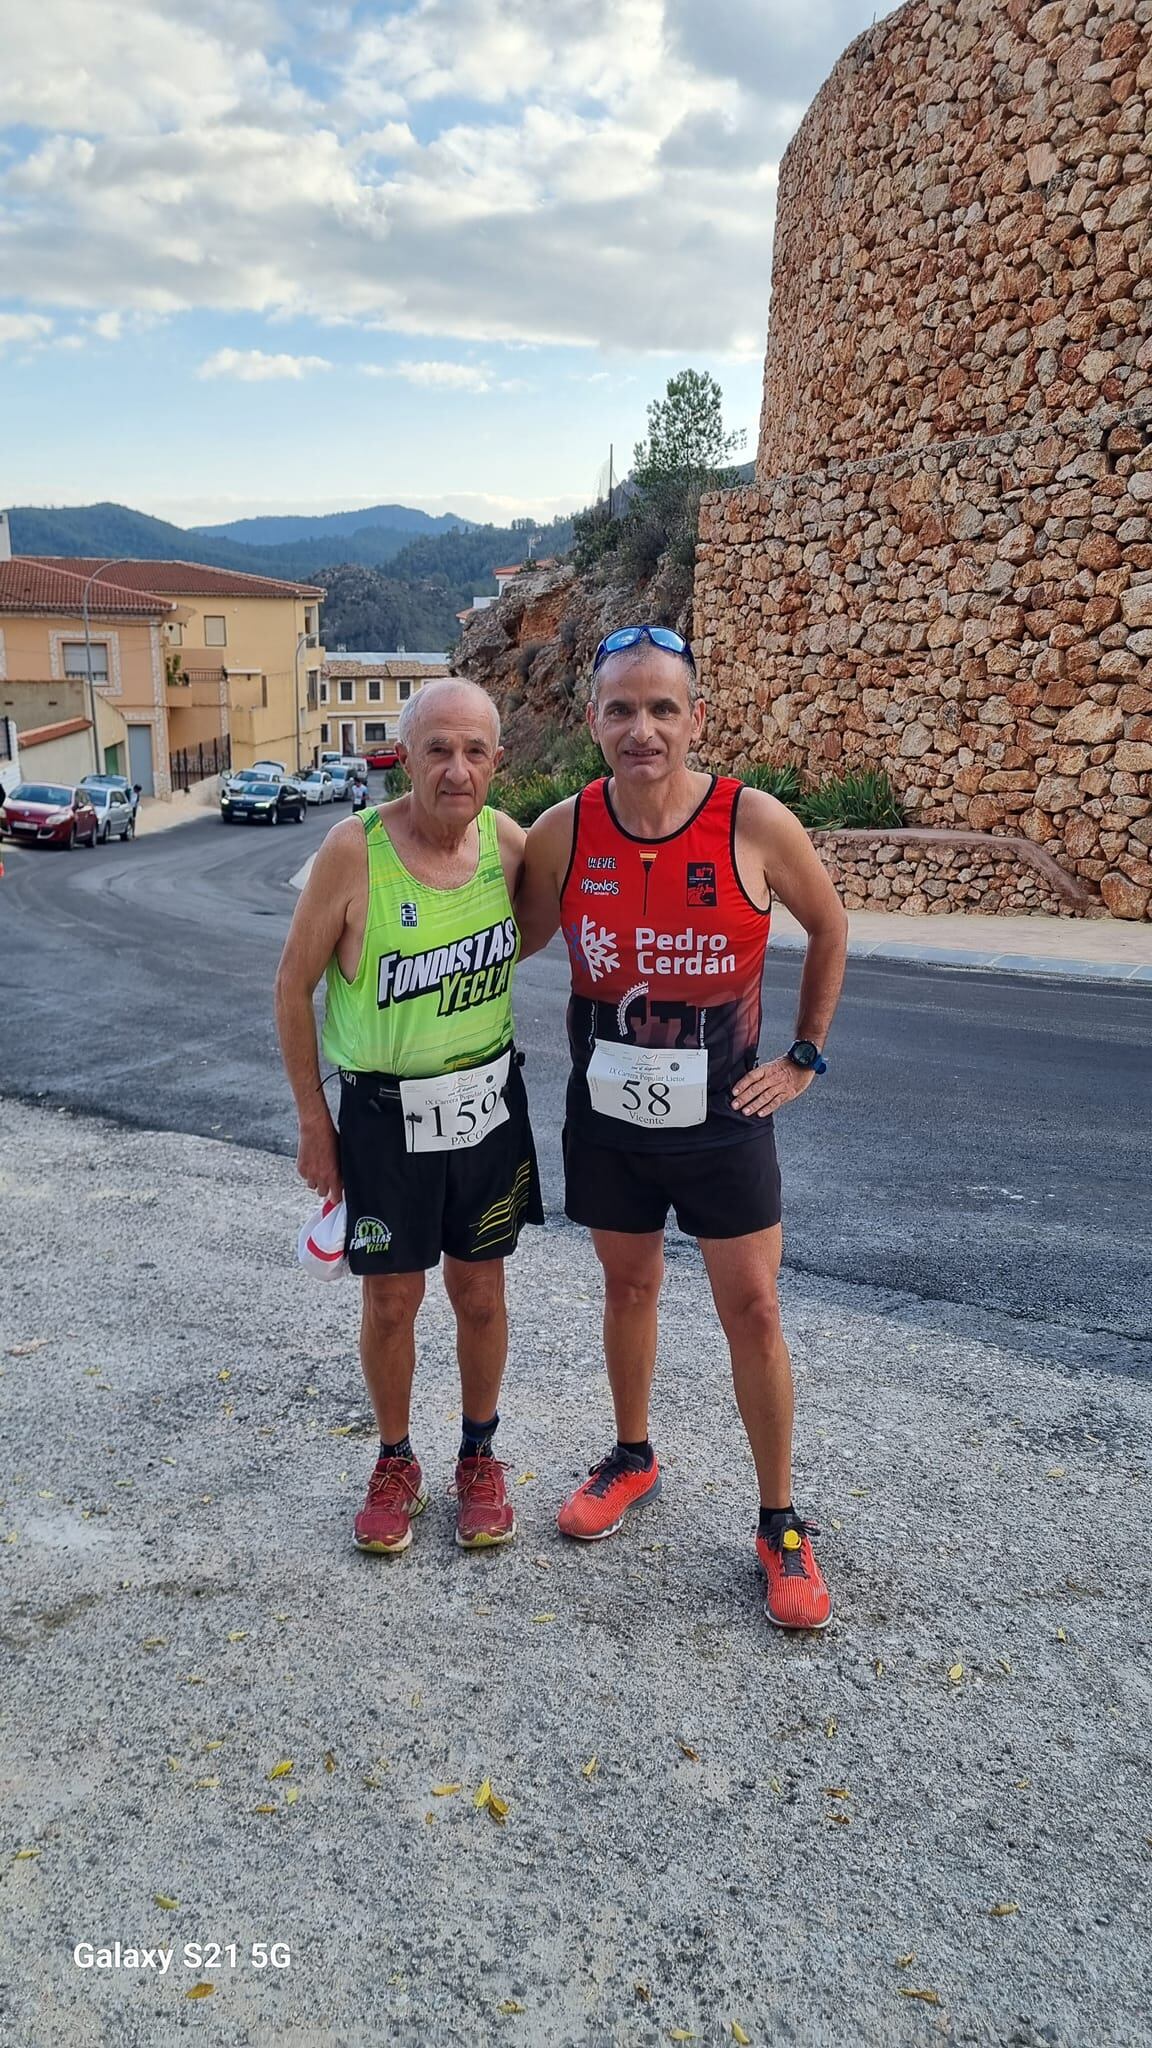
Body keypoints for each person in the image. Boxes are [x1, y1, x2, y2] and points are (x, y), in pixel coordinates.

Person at [516, 624, 849, 1630]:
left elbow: (830, 925)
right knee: (629, 1283)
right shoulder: (565, 830)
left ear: (696, 717)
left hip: (724, 1120)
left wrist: (803, 1056)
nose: (643, 728)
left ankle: (780, 1520)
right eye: (623, 707)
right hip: (607, 1117)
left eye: (664, 707)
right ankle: (631, 1453)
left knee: (751, 1310)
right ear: (594, 722)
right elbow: (504, 928)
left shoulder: (752, 820)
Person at [275, 679, 543, 1556]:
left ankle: (478, 1455)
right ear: (406, 756)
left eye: (474, 751)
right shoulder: (353, 851)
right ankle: (395, 1461)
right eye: (438, 749)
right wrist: (317, 1123)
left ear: (498, 761)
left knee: (481, 1292)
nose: (456, 769)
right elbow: (291, 986)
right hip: (384, 1113)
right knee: (391, 1301)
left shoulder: (508, 845)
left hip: (488, 1105)